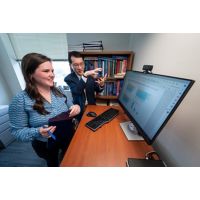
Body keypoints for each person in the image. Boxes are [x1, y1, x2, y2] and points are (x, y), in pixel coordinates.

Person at [9, 53, 80, 167]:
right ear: (30, 74)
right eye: (46, 71)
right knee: (53, 163)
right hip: (45, 145)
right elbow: (17, 132)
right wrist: (38, 132)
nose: (52, 75)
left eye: (52, 71)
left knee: (69, 159)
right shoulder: (20, 100)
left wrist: (76, 107)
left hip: (66, 137)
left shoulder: (59, 90)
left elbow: (70, 105)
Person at [64, 51, 107, 120]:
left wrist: (101, 85)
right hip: (80, 111)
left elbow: (98, 89)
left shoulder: (90, 74)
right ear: (70, 65)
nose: (80, 67)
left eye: (81, 64)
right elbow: (77, 91)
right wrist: (85, 75)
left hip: (92, 107)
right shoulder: (68, 78)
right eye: (76, 65)